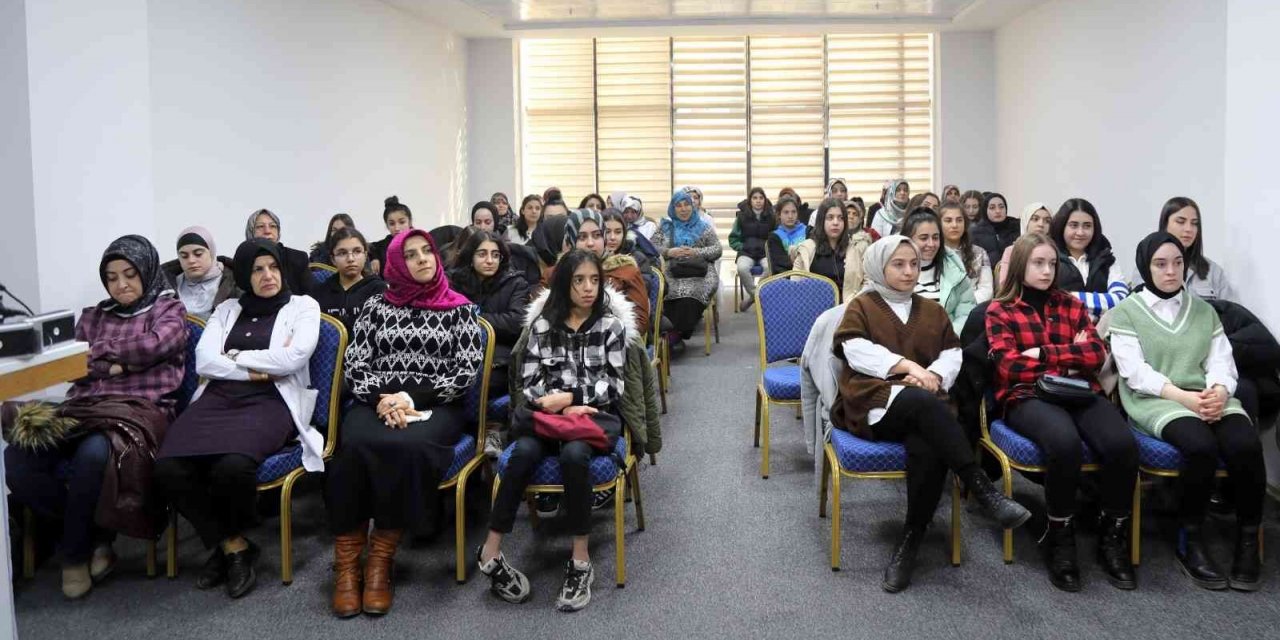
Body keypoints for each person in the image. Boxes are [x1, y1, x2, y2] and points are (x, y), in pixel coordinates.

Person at [831, 236, 1030, 593]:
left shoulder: (932, 310)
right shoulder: (861, 306)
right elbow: (854, 350)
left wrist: (934, 375)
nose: (909, 271)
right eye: (899, 264)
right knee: (927, 407)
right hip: (874, 402)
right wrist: (907, 367)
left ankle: (911, 538)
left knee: (927, 439)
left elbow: (953, 352)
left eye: (913, 264)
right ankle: (980, 487)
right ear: (880, 266)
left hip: (926, 405)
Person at [5, 235, 186, 599]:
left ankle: (72, 556)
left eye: (130, 274)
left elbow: (155, 345)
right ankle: (92, 537)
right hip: (85, 409)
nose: (121, 285)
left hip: (139, 412)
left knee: (93, 453)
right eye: (112, 277)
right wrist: (116, 365)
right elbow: (73, 366)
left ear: (147, 272)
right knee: (17, 457)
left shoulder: (169, 310)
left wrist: (101, 360)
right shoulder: (93, 315)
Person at [326, 229, 483, 617]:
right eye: (411, 255)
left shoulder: (460, 308)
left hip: (436, 405)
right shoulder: (376, 307)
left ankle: (381, 558)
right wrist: (383, 400)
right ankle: (346, 564)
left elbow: (464, 373)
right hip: (376, 400)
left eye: (427, 251)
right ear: (398, 264)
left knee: (407, 446)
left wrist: (410, 398)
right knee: (354, 444)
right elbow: (356, 365)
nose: (423, 259)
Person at [154, 239, 323, 600]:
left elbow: (293, 358)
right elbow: (205, 361)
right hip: (218, 399)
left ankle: (225, 545)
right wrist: (255, 369)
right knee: (167, 467)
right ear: (244, 274)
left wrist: (234, 355)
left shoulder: (303, 306)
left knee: (232, 466)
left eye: (273, 267)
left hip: (273, 401)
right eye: (258, 269)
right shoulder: (227, 309)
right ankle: (233, 545)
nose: (267, 275)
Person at [1108, 232, 1262, 592]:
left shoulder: (1204, 310)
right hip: (1156, 399)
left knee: (1246, 445)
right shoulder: (1128, 311)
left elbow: (1221, 361)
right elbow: (1135, 373)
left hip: (1208, 395)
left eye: (1178, 263)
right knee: (1200, 446)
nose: (1171, 271)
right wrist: (1186, 399)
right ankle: (1189, 539)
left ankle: (1248, 539)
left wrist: (1220, 391)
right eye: (1161, 264)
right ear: (1146, 267)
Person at [477, 249, 629, 613]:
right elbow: (528, 384)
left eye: (594, 280)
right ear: (564, 283)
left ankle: (580, 562)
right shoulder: (542, 326)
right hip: (547, 418)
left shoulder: (611, 327)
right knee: (524, 453)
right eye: (579, 280)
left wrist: (573, 397)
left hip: (588, 420)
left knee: (575, 455)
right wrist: (556, 402)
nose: (588, 288)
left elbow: (615, 385)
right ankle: (490, 551)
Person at [986, 233, 1138, 593]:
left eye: (1052, 264)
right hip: (1025, 397)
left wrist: (1042, 354)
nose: (1047, 271)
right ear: (1021, 264)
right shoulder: (1000, 309)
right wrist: (1069, 353)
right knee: (1064, 443)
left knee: (1122, 445)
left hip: (1078, 391)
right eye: (1038, 263)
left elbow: (1096, 355)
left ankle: (1111, 535)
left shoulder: (1069, 304)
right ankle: (1060, 535)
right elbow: (1009, 367)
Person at [449, 230, 531, 456]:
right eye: (482, 254)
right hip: (458, 354)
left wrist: (474, 319)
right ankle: (459, 434)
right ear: (470, 257)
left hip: (500, 359)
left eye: (495, 255)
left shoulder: (515, 283)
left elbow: (516, 322)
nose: (489, 260)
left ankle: (489, 431)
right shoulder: (455, 281)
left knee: (476, 377)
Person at [566, 208, 650, 337]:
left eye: (597, 235)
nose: (590, 243)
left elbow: (639, 323)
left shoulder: (627, 271)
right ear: (571, 240)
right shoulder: (556, 273)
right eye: (582, 237)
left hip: (613, 344)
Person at [652, 189, 721, 340]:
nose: (683, 209)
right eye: (678, 205)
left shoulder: (703, 227)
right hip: (672, 270)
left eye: (686, 205)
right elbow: (651, 247)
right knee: (667, 292)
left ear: (692, 206)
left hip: (701, 273)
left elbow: (717, 249)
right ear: (673, 208)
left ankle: (675, 335)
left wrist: (696, 252)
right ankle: (674, 334)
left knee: (692, 296)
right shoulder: (666, 227)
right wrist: (669, 252)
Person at [1050, 198, 1128, 320]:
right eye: (1073, 225)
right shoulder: (1049, 258)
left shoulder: (1106, 259)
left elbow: (1120, 299)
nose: (1080, 232)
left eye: (1087, 226)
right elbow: (1048, 301)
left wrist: (1067, 297)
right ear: (1062, 226)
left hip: (1102, 335)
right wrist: (1100, 305)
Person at [901, 209, 977, 333]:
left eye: (935, 238)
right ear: (908, 239)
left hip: (949, 341)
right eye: (924, 238)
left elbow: (966, 311)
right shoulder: (892, 270)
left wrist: (948, 337)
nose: (931, 244)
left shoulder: (954, 268)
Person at [1158, 196, 1236, 302]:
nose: (1189, 229)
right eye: (1181, 221)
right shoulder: (1147, 267)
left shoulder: (1213, 271)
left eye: (1194, 223)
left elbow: (1233, 314)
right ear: (1165, 224)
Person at [311, 227, 387, 337]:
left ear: (365, 255)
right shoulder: (320, 292)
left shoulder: (379, 290)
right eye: (342, 253)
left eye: (357, 251)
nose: (350, 258)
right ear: (333, 259)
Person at [793, 198, 872, 303]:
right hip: (814, 310)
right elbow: (795, 287)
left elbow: (868, 281)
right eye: (830, 218)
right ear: (821, 220)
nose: (836, 222)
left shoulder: (855, 249)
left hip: (848, 310)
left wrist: (855, 302)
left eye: (840, 218)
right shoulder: (806, 250)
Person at [162, 226, 239, 320]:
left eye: (198, 254)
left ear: (211, 253)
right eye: (184, 256)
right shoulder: (166, 287)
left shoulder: (235, 283)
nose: (191, 260)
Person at [729, 187, 777, 311]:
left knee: (771, 268)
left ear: (765, 200)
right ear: (750, 200)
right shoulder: (741, 216)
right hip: (746, 252)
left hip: (765, 253)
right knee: (742, 268)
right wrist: (742, 246)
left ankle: (751, 299)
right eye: (755, 198)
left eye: (761, 198)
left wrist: (771, 248)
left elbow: (776, 237)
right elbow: (733, 238)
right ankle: (757, 295)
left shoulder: (772, 216)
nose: (758, 201)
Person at [244, 209, 310, 295]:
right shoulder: (244, 259)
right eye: (260, 226)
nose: (267, 231)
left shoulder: (298, 258)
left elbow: (311, 294)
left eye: (272, 226)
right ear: (250, 231)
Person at [939, 202, 993, 304]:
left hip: (973, 307)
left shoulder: (979, 253)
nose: (954, 225)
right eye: (948, 220)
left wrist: (966, 305)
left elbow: (986, 290)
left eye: (959, 220)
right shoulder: (934, 253)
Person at [995, 203, 1052, 288]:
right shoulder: (1012, 251)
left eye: (1047, 221)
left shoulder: (1053, 251)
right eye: (1035, 219)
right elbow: (1005, 283)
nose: (1041, 224)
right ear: (1025, 221)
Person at [970, 192, 1019, 268]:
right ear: (985, 210)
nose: (998, 211)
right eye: (992, 208)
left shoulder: (1016, 226)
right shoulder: (976, 232)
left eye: (1001, 207)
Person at [370, 196, 414, 275]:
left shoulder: (421, 241)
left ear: (410, 222)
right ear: (387, 226)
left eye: (402, 222)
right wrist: (374, 258)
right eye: (392, 224)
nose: (397, 228)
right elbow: (369, 247)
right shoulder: (383, 245)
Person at [602, 209, 655, 274]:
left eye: (618, 232)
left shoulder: (637, 258)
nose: (612, 237)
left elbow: (646, 281)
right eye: (607, 232)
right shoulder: (592, 257)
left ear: (624, 233)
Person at [765, 196, 808, 274]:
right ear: (779, 214)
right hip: (786, 278)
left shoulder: (807, 231)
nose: (790, 216)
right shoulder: (775, 236)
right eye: (786, 212)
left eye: (793, 212)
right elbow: (779, 264)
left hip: (808, 275)